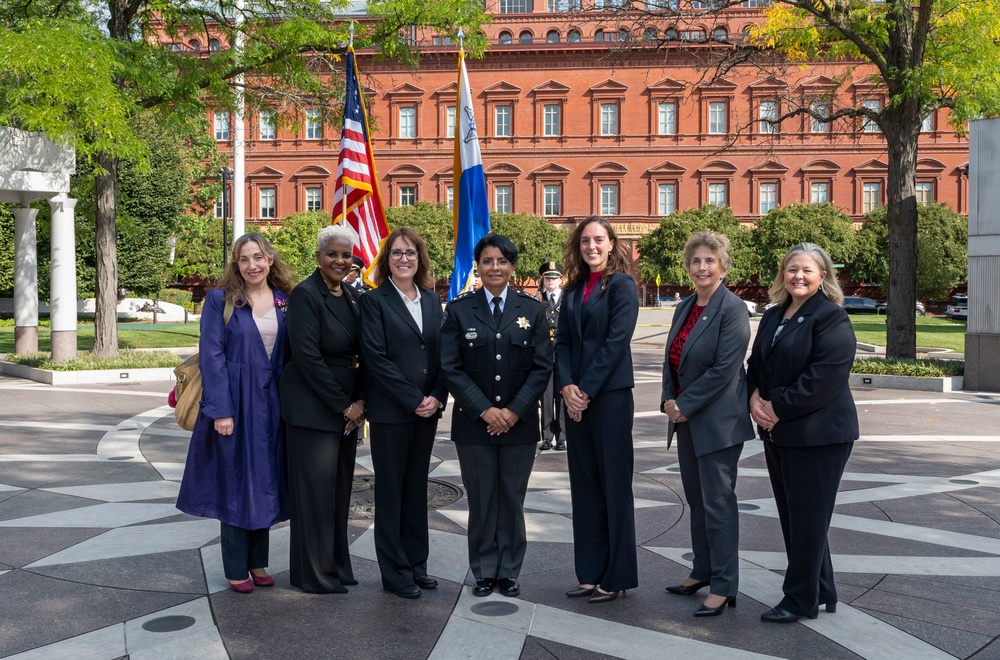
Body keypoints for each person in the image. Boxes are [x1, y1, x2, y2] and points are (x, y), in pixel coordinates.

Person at [747, 242, 858, 623]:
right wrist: (754, 398)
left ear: (822, 276)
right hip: (779, 433)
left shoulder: (831, 318)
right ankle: (822, 588)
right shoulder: (773, 316)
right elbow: (756, 364)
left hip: (820, 435)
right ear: (783, 274)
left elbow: (824, 378)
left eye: (807, 270)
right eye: (792, 269)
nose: (798, 276)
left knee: (807, 519)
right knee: (796, 517)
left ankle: (799, 600)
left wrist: (776, 407)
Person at [176, 232, 292, 593]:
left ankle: (258, 562)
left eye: (258, 257)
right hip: (235, 404)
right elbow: (212, 356)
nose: (252, 265)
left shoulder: (285, 302)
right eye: (244, 259)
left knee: (266, 481)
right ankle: (235, 567)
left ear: (270, 260)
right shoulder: (220, 301)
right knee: (235, 481)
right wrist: (221, 411)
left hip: (273, 406)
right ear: (236, 264)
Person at [440, 234, 552, 598]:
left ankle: (509, 571)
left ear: (512, 266)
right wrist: (486, 410)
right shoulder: (459, 310)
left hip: (519, 426)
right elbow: (451, 367)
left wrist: (513, 411)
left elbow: (541, 368)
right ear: (478, 266)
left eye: (502, 261)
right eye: (487, 261)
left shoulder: (532, 310)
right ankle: (485, 570)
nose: (494, 268)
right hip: (475, 425)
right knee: (482, 499)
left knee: (511, 499)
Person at [661, 231, 754, 617]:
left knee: (718, 505)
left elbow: (724, 370)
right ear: (688, 266)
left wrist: (684, 404)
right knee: (697, 503)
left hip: (717, 423)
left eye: (709, 261)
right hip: (684, 420)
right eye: (696, 261)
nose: (702, 267)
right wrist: (668, 400)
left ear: (724, 267)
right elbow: (672, 357)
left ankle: (724, 584)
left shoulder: (732, 309)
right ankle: (702, 570)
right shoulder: (685, 307)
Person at [359, 227, 448, 599]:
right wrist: (413, 398)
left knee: (416, 491)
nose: (403, 259)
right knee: (392, 493)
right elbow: (375, 359)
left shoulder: (430, 300)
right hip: (392, 412)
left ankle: (416, 564)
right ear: (386, 259)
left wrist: (437, 396)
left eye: (410, 252)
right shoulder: (374, 302)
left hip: (426, 411)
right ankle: (394, 573)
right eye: (396, 253)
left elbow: (443, 354)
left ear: (420, 258)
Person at [555, 216, 640, 604]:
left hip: (610, 398)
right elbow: (564, 344)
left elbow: (615, 342)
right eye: (585, 240)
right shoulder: (572, 290)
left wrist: (584, 389)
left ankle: (617, 575)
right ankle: (589, 572)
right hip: (578, 400)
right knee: (585, 486)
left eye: (598, 240)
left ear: (611, 244)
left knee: (614, 487)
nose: (591, 246)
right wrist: (567, 386)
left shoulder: (622, 285)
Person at [280, 225, 368, 594]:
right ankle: (313, 574)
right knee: (314, 495)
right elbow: (307, 357)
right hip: (313, 409)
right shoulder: (305, 294)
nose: (340, 261)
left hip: (346, 409)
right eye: (332, 254)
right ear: (318, 257)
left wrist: (360, 402)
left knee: (338, 492)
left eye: (346, 255)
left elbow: (362, 353)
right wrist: (345, 405)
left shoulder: (350, 295)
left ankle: (335, 564)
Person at [538, 260, 566, 451]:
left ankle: (563, 436)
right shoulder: (537, 301)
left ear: (561, 280)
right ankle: (547, 436)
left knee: (564, 397)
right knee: (546, 398)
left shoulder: (568, 299)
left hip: (564, 355)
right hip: (545, 356)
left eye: (554, 278)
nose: (551, 281)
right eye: (548, 278)